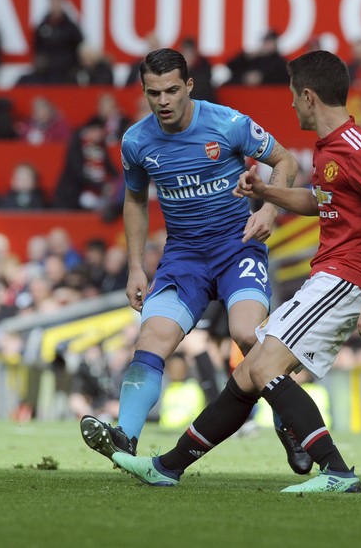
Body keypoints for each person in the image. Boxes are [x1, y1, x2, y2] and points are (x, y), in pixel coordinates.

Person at [109, 50, 361, 493]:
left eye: (291, 97)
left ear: (307, 97)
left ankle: (338, 473)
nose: (289, 105)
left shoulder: (353, 147)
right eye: (155, 92)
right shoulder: (331, 146)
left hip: (346, 276)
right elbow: (320, 202)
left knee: (260, 359)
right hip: (323, 272)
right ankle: (167, 467)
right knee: (248, 373)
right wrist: (269, 194)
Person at [79, 48, 306, 473]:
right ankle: (124, 439)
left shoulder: (227, 123)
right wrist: (134, 266)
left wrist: (269, 211)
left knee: (249, 336)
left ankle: (291, 425)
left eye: (170, 90)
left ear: (188, 86)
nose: (162, 101)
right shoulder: (136, 141)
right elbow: (134, 200)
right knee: (151, 340)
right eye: (153, 93)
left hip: (237, 246)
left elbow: (285, 162)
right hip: (183, 256)